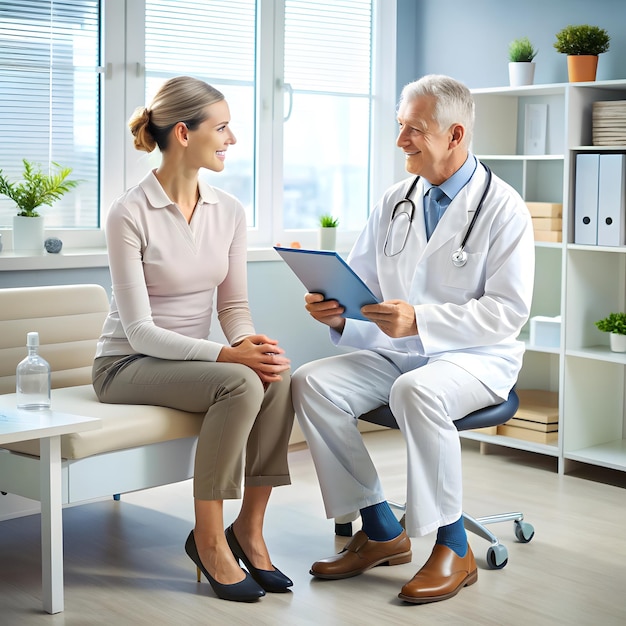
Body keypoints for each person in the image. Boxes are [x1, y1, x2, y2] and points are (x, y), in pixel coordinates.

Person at [291, 74, 534, 604]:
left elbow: (508, 313)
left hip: (474, 358)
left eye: (414, 130)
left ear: (455, 135)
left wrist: (420, 320)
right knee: (311, 383)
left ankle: (454, 548)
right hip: (399, 351)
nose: (401, 140)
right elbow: (365, 290)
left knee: (415, 392)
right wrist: (335, 313)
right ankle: (380, 530)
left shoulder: (505, 208)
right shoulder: (395, 200)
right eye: (400, 126)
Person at [92, 76, 294, 603]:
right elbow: (138, 330)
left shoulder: (227, 210)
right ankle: (207, 538)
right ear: (184, 133)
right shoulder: (129, 213)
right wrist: (229, 356)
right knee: (240, 385)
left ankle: (247, 530)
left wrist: (250, 345)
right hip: (127, 365)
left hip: (186, 363)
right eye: (222, 127)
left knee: (275, 373)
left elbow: (232, 307)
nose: (231, 139)